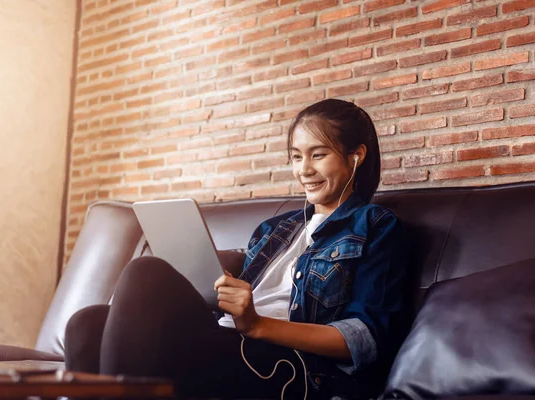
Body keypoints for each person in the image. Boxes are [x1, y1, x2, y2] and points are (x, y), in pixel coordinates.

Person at [64, 99, 409, 400]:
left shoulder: (375, 226)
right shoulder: (275, 229)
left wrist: (257, 324)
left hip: (295, 368)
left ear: (355, 156)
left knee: (145, 273)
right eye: (296, 156)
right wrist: (224, 290)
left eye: (318, 155)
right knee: (87, 324)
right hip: (230, 339)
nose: (304, 170)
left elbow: (364, 340)